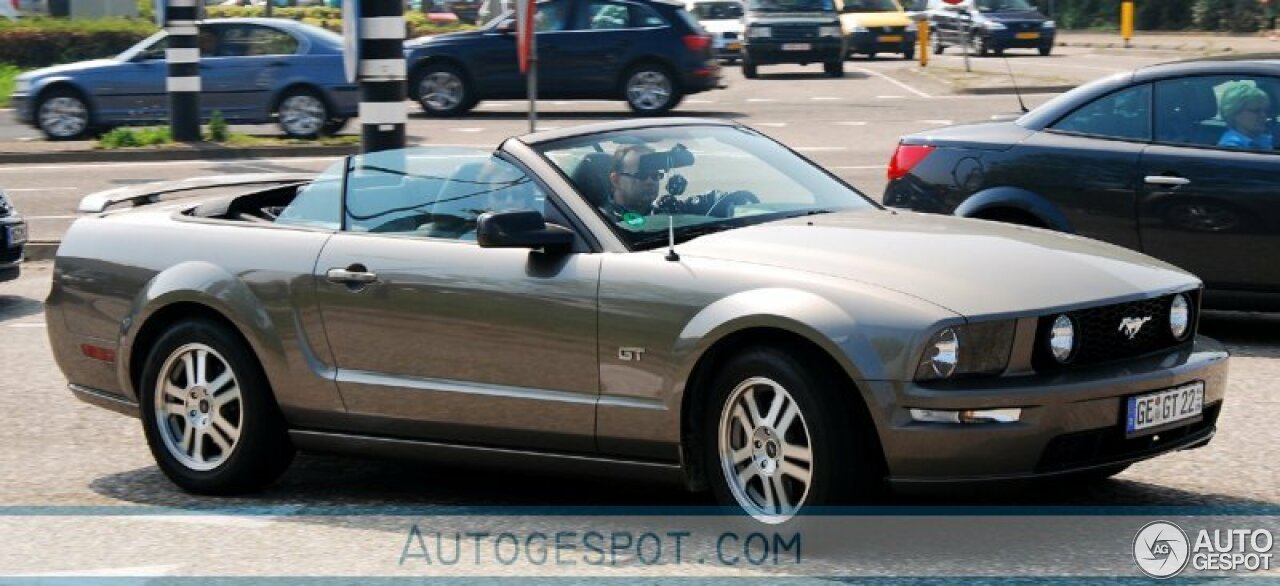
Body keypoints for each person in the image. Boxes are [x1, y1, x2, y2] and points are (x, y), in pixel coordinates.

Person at [605, 144, 663, 223]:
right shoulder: (601, 223)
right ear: (616, 180)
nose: (650, 182)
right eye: (641, 175)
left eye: (655, 175)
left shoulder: (664, 214)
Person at [1217, 81, 1274, 150]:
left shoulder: (1262, 138)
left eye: (1265, 111)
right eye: (1256, 111)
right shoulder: (1230, 146)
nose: (1264, 115)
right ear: (1235, 114)